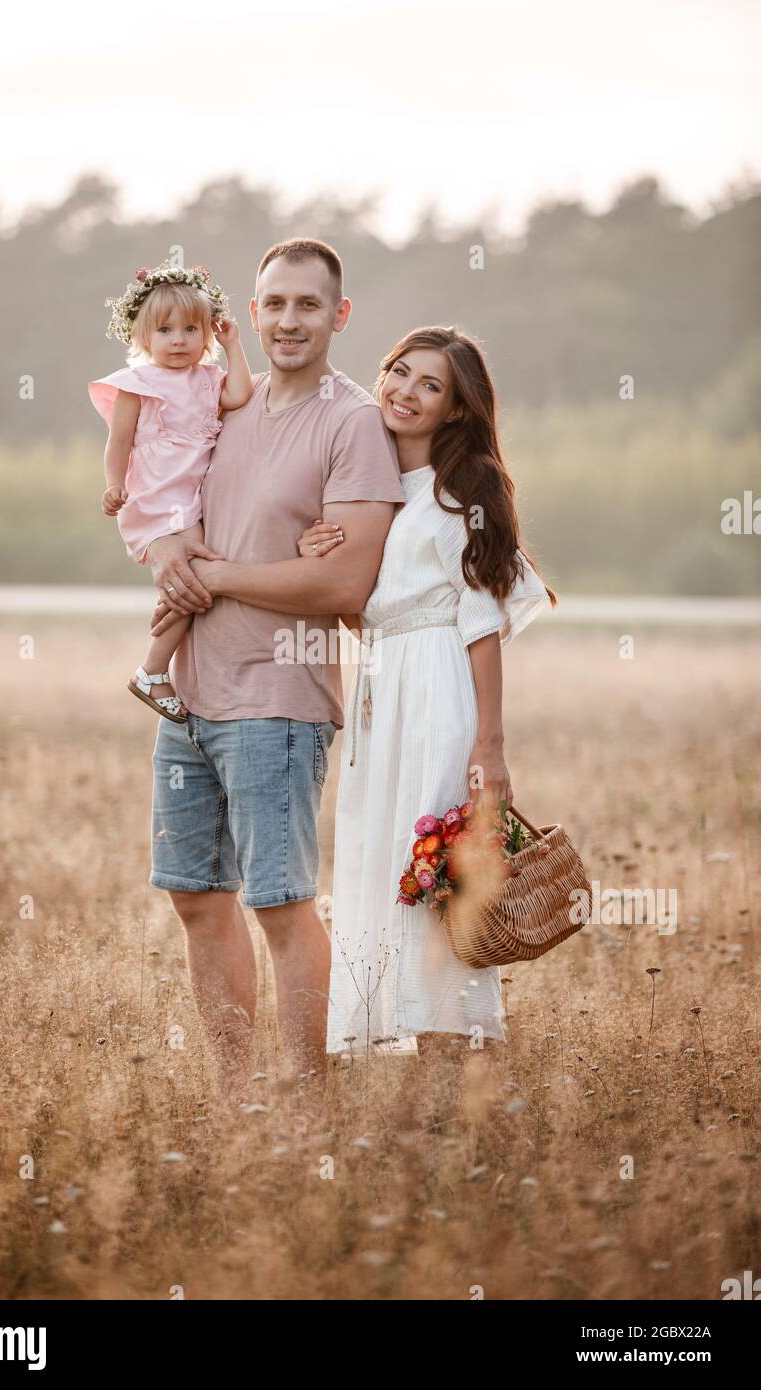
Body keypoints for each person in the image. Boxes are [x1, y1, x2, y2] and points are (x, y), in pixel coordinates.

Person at [145, 238, 406, 1085]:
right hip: (188, 697)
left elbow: (344, 577)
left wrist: (224, 576)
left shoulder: (353, 421)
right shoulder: (224, 410)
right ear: (248, 316)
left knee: (280, 904)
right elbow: (163, 508)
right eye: (275, 305)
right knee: (195, 897)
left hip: (278, 699)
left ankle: (306, 1098)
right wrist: (173, 563)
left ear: (340, 315)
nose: (289, 320)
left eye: (308, 305)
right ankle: (236, 1096)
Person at [295, 327, 556, 1063]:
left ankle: (457, 1050)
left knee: (435, 868)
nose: (405, 393)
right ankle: (403, 1041)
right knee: (383, 861)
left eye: (429, 386)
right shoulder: (371, 490)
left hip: (438, 690)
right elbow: (367, 610)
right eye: (398, 373)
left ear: (456, 409)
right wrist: (324, 558)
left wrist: (489, 746)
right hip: (382, 687)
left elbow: (481, 622)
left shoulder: (462, 488)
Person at [88, 260, 253, 721]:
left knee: (192, 579)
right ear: (142, 337)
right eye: (164, 330)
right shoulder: (136, 386)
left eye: (190, 329)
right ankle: (153, 669)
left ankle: (153, 669)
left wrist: (235, 346)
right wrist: (113, 485)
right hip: (153, 501)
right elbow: (118, 442)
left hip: (190, 504)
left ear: (207, 334)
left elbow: (240, 395)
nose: (178, 340)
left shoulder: (208, 380)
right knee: (193, 573)